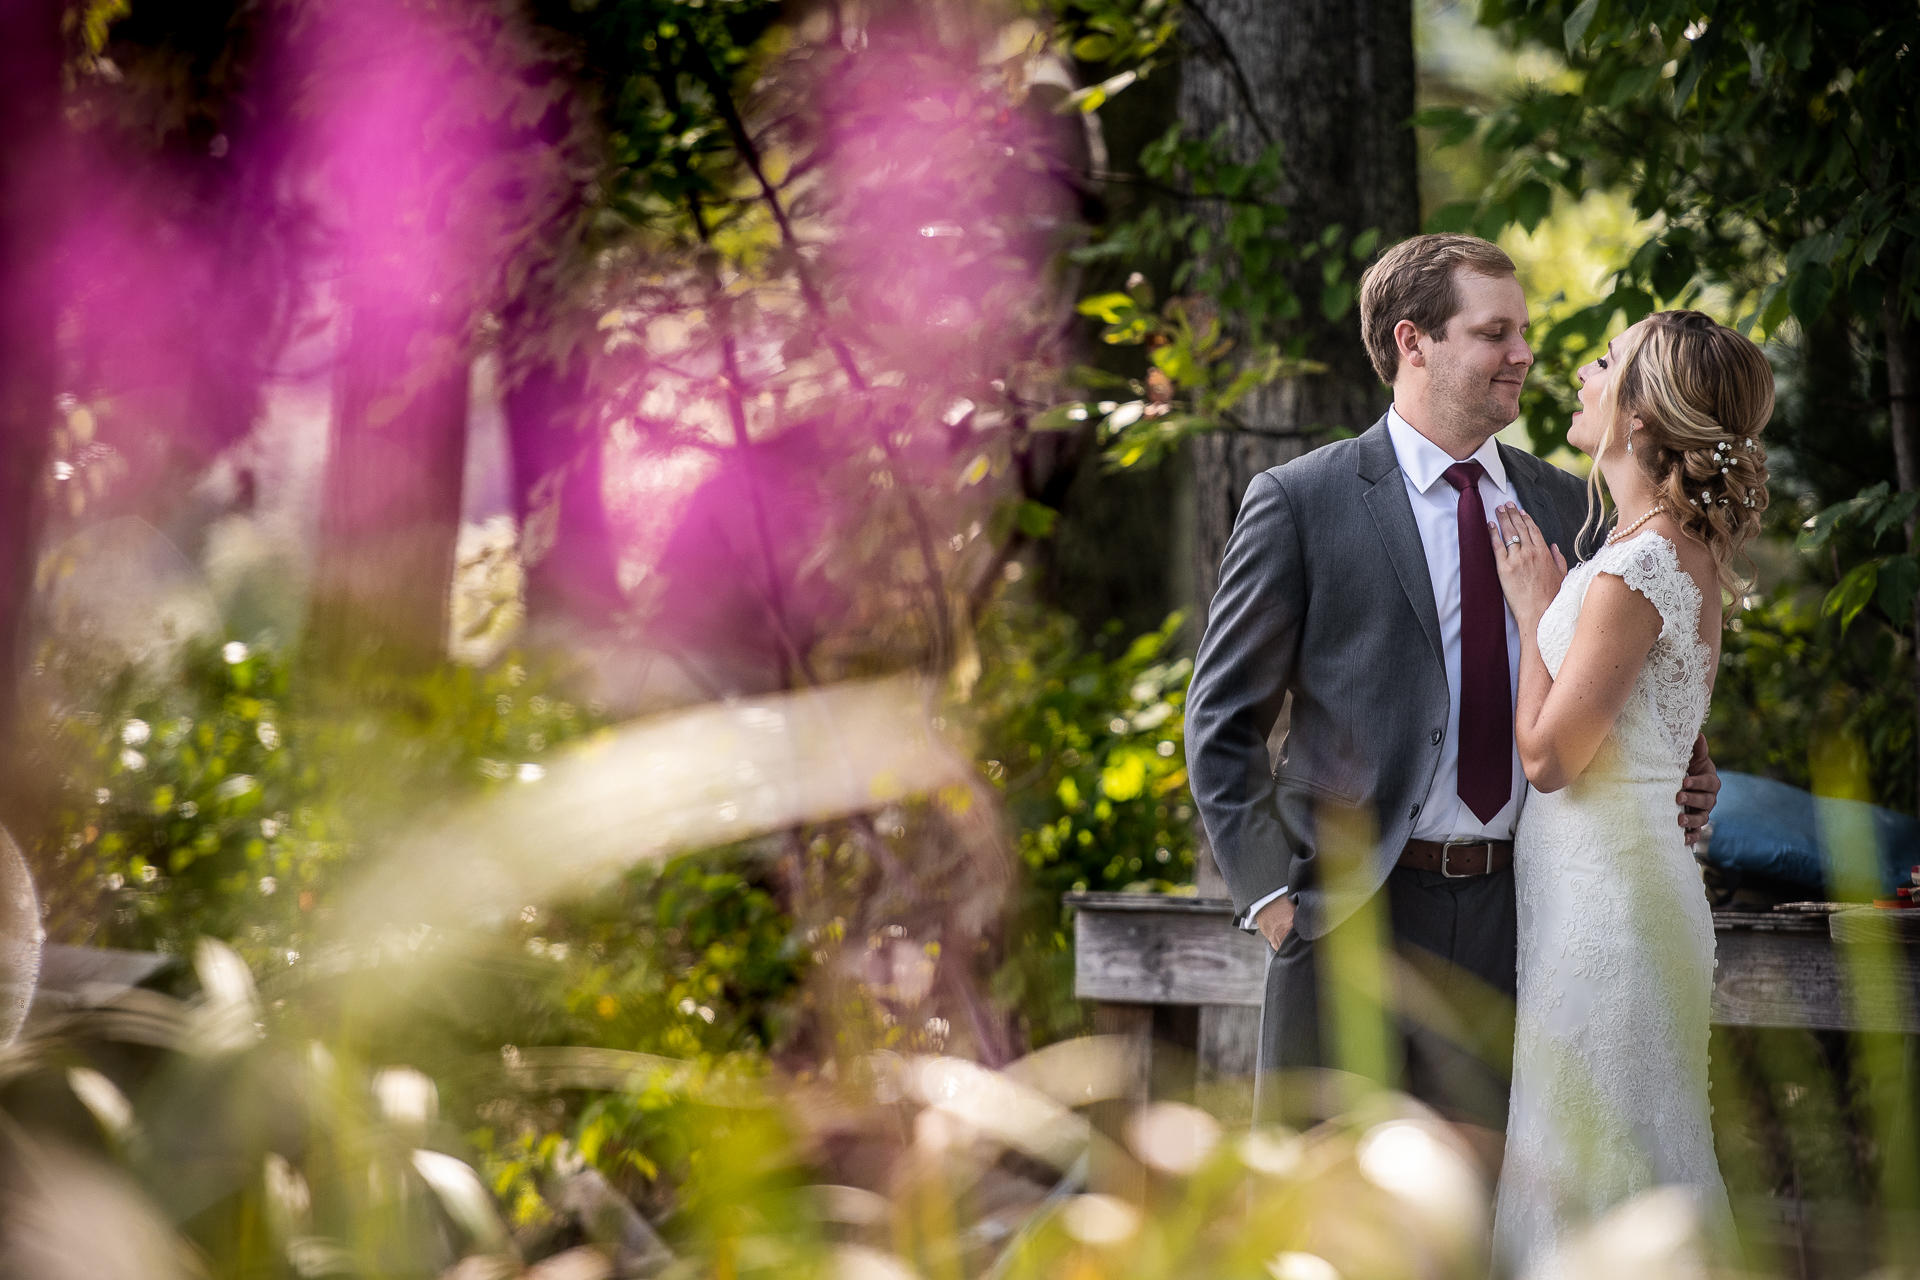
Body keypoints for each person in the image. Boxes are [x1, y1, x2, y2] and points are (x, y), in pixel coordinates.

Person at [1184, 233, 1722, 1143]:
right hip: (1348, 920)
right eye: (1494, 332)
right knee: (1332, 1214)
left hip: (1522, 920)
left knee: (1483, 1216)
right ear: (1413, 341)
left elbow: (1611, 679)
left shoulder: (1574, 506)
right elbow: (1222, 719)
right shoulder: (1303, 499)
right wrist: (1276, 903)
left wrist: (1685, 764)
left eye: (1524, 332)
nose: (1524, 354)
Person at [1488, 310, 1770, 1274]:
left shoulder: (1639, 564)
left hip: (1609, 921)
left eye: (1604, 361)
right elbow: (1658, 734)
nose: (1580, 372)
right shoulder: (1667, 550)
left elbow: (1549, 760)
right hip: (1609, 899)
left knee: (1602, 1177)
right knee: (1625, 1165)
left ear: (1643, 415)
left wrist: (1533, 614)